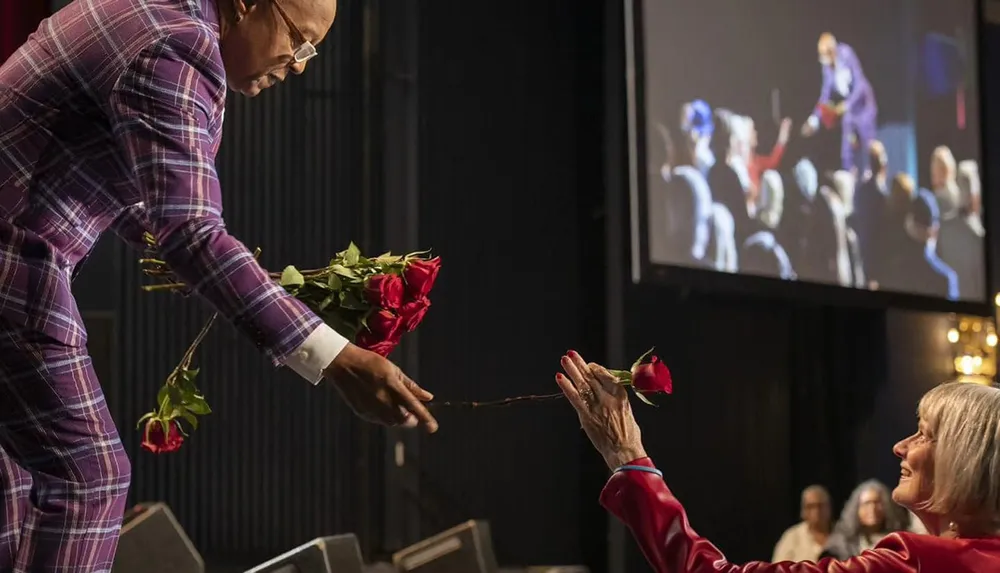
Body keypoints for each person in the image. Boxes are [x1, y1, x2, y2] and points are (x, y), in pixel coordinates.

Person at [0, 0, 438, 570]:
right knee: (91, 475)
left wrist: (236, 277)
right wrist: (337, 358)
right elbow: (191, 233)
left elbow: (140, 194)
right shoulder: (180, 47)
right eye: (298, 40)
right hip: (15, 264)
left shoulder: (142, 12)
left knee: (16, 484)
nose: (300, 64)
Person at [555, 350, 1000, 572]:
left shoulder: (916, 560)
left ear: (967, 458)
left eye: (924, 433)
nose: (900, 446)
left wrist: (629, 459)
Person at [801, 33, 878, 177]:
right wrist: (814, 120)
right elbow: (825, 95)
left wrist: (847, 105)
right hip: (849, 113)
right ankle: (849, 175)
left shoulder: (847, 54)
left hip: (863, 107)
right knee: (847, 149)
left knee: (868, 147)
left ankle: (872, 178)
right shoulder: (827, 68)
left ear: (832, 51)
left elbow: (859, 84)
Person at [820, 480, 911, 559]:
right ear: (856, 509)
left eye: (877, 503)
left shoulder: (900, 541)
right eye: (867, 503)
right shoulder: (840, 545)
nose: (872, 509)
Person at [772, 485, 832, 562]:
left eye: (820, 506)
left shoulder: (842, 535)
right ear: (803, 511)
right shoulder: (792, 537)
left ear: (829, 507)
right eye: (811, 507)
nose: (816, 511)